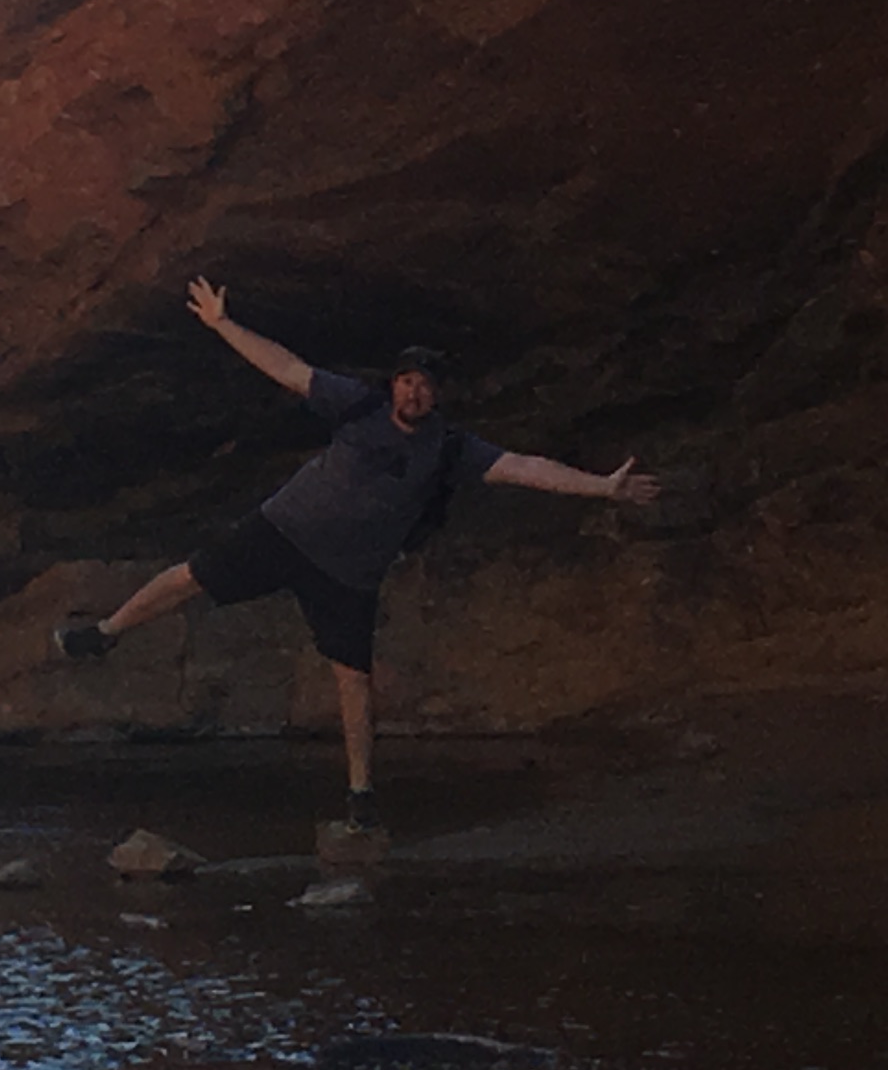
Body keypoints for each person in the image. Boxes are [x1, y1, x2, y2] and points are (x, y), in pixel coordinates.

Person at [49, 275, 660, 836]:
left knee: (353, 680)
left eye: (426, 384)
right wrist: (222, 324)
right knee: (189, 576)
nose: (414, 391)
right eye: (407, 380)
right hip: (282, 531)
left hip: (347, 576)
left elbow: (525, 467)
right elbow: (287, 368)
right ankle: (104, 633)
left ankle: (361, 794)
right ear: (393, 384)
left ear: (437, 396)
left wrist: (601, 488)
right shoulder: (359, 404)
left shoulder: (451, 448)